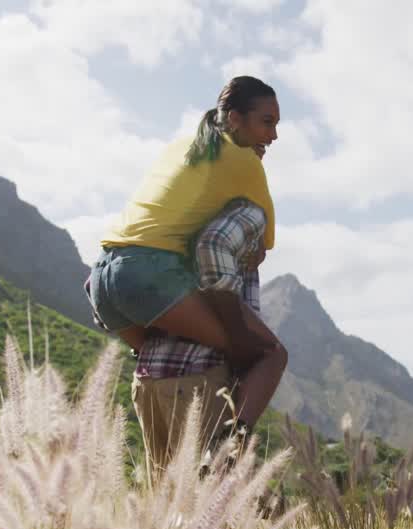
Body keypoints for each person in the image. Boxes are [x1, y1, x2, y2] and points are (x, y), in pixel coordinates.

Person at [87, 75, 283, 441]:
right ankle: (225, 452)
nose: (273, 136)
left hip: (100, 279)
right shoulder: (243, 160)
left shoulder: (181, 146)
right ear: (236, 119)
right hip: (147, 277)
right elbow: (262, 243)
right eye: (267, 123)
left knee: (159, 358)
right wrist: (238, 337)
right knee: (270, 354)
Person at [129, 198, 285, 475]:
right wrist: (238, 341)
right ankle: (233, 439)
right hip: (198, 378)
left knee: (166, 510)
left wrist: (141, 346)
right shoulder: (247, 209)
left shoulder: (171, 212)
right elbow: (212, 246)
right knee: (213, 507)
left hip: (147, 379)